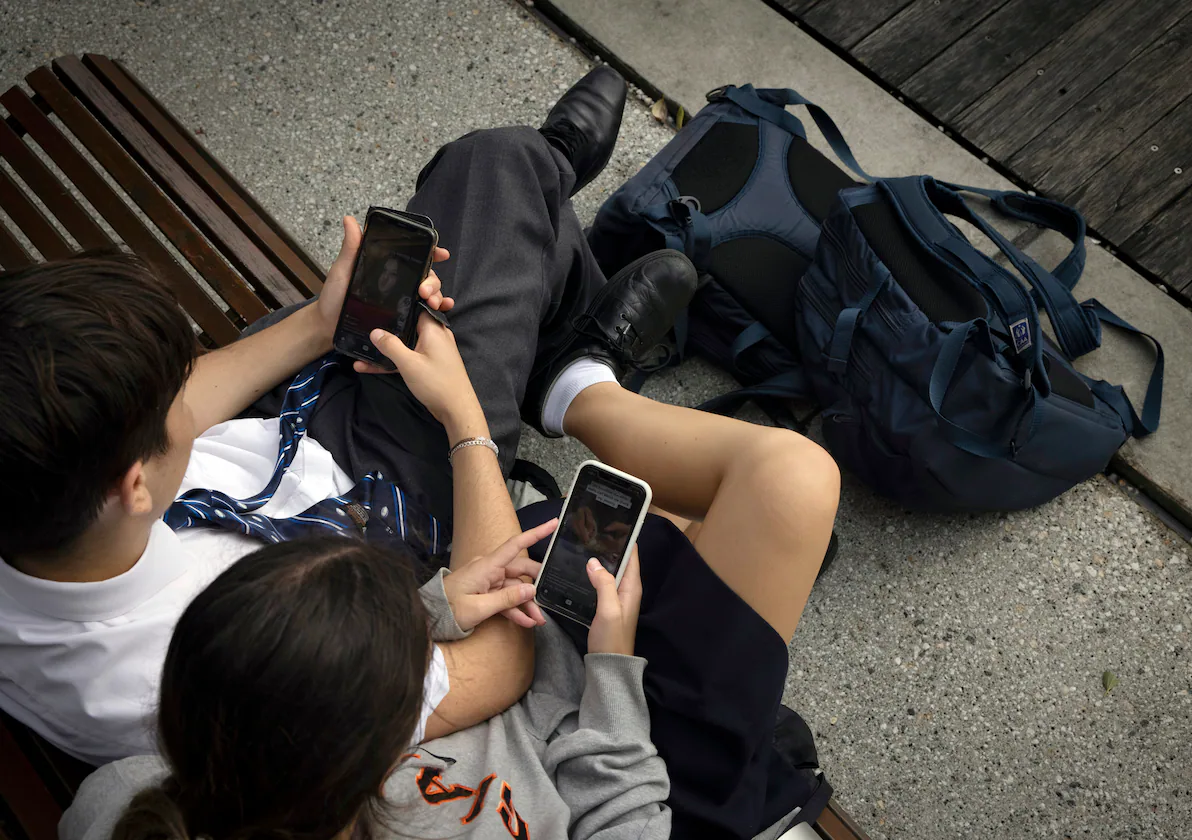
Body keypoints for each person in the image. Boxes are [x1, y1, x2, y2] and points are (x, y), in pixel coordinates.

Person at [0, 64, 698, 765]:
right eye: (167, 401)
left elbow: (178, 408)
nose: (187, 383)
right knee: (499, 168)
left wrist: (319, 324)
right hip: (380, 514)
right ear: (131, 486)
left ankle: (554, 303)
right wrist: (466, 424)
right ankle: (565, 319)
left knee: (474, 207)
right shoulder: (226, 675)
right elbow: (494, 668)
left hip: (282, 428)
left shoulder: (49, 505)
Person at [61, 311, 841, 839]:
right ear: (376, 758)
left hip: (549, 663)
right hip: (628, 759)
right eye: (413, 671)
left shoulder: (130, 795)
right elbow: (629, 821)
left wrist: (440, 607)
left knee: (700, 523)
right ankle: (584, 385)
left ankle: (583, 390)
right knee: (786, 487)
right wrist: (612, 671)